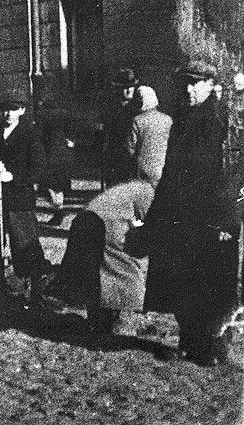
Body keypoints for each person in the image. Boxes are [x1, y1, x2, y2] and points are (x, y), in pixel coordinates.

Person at [143, 60, 236, 366]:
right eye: (185, 82)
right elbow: (170, 170)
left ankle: (212, 345)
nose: (189, 88)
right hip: (180, 213)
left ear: (211, 85)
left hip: (212, 215)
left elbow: (229, 174)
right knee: (182, 279)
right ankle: (189, 341)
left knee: (212, 282)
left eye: (196, 83)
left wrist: (225, 219)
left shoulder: (223, 120)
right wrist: (156, 212)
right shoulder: (181, 118)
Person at [45, 180, 154, 333]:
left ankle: (100, 319)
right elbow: (154, 228)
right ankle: (121, 321)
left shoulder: (137, 187)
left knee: (96, 275)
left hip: (86, 221)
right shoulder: (149, 192)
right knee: (120, 273)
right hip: (103, 227)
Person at [0, 99, 50, 303]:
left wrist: (13, 177)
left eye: (13, 109)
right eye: (5, 109)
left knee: (25, 243)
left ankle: (34, 291)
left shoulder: (30, 135)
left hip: (19, 199)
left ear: (22, 110)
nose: (8, 114)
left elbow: (38, 168)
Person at [35, 103, 75, 226]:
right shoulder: (65, 113)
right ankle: (59, 212)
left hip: (49, 156)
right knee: (56, 186)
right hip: (62, 155)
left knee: (50, 186)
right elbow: (71, 137)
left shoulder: (40, 115)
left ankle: (60, 212)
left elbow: (38, 136)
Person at [102, 68, 141, 189]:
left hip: (133, 155)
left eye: (131, 86)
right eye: (125, 87)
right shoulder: (111, 106)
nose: (129, 90)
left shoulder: (138, 106)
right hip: (115, 151)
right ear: (119, 89)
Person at [126, 85, 172, 187]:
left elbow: (130, 148)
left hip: (143, 171)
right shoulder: (168, 120)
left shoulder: (137, 121)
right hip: (163, 169)